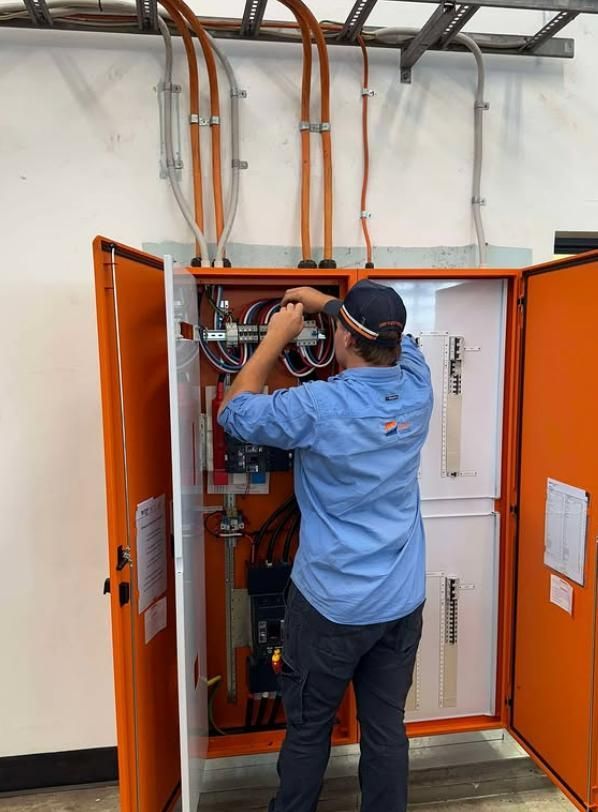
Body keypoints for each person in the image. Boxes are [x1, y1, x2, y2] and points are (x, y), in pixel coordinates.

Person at [218, 280, 434, 812]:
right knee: (386, 729)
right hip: (401, 602)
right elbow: (400, 343)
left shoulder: (316, 405)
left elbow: (234, 412)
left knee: (310, 728)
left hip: (331, 606)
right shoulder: (419, 384)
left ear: (340, 338)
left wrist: (276, 337)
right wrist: (330, 305)